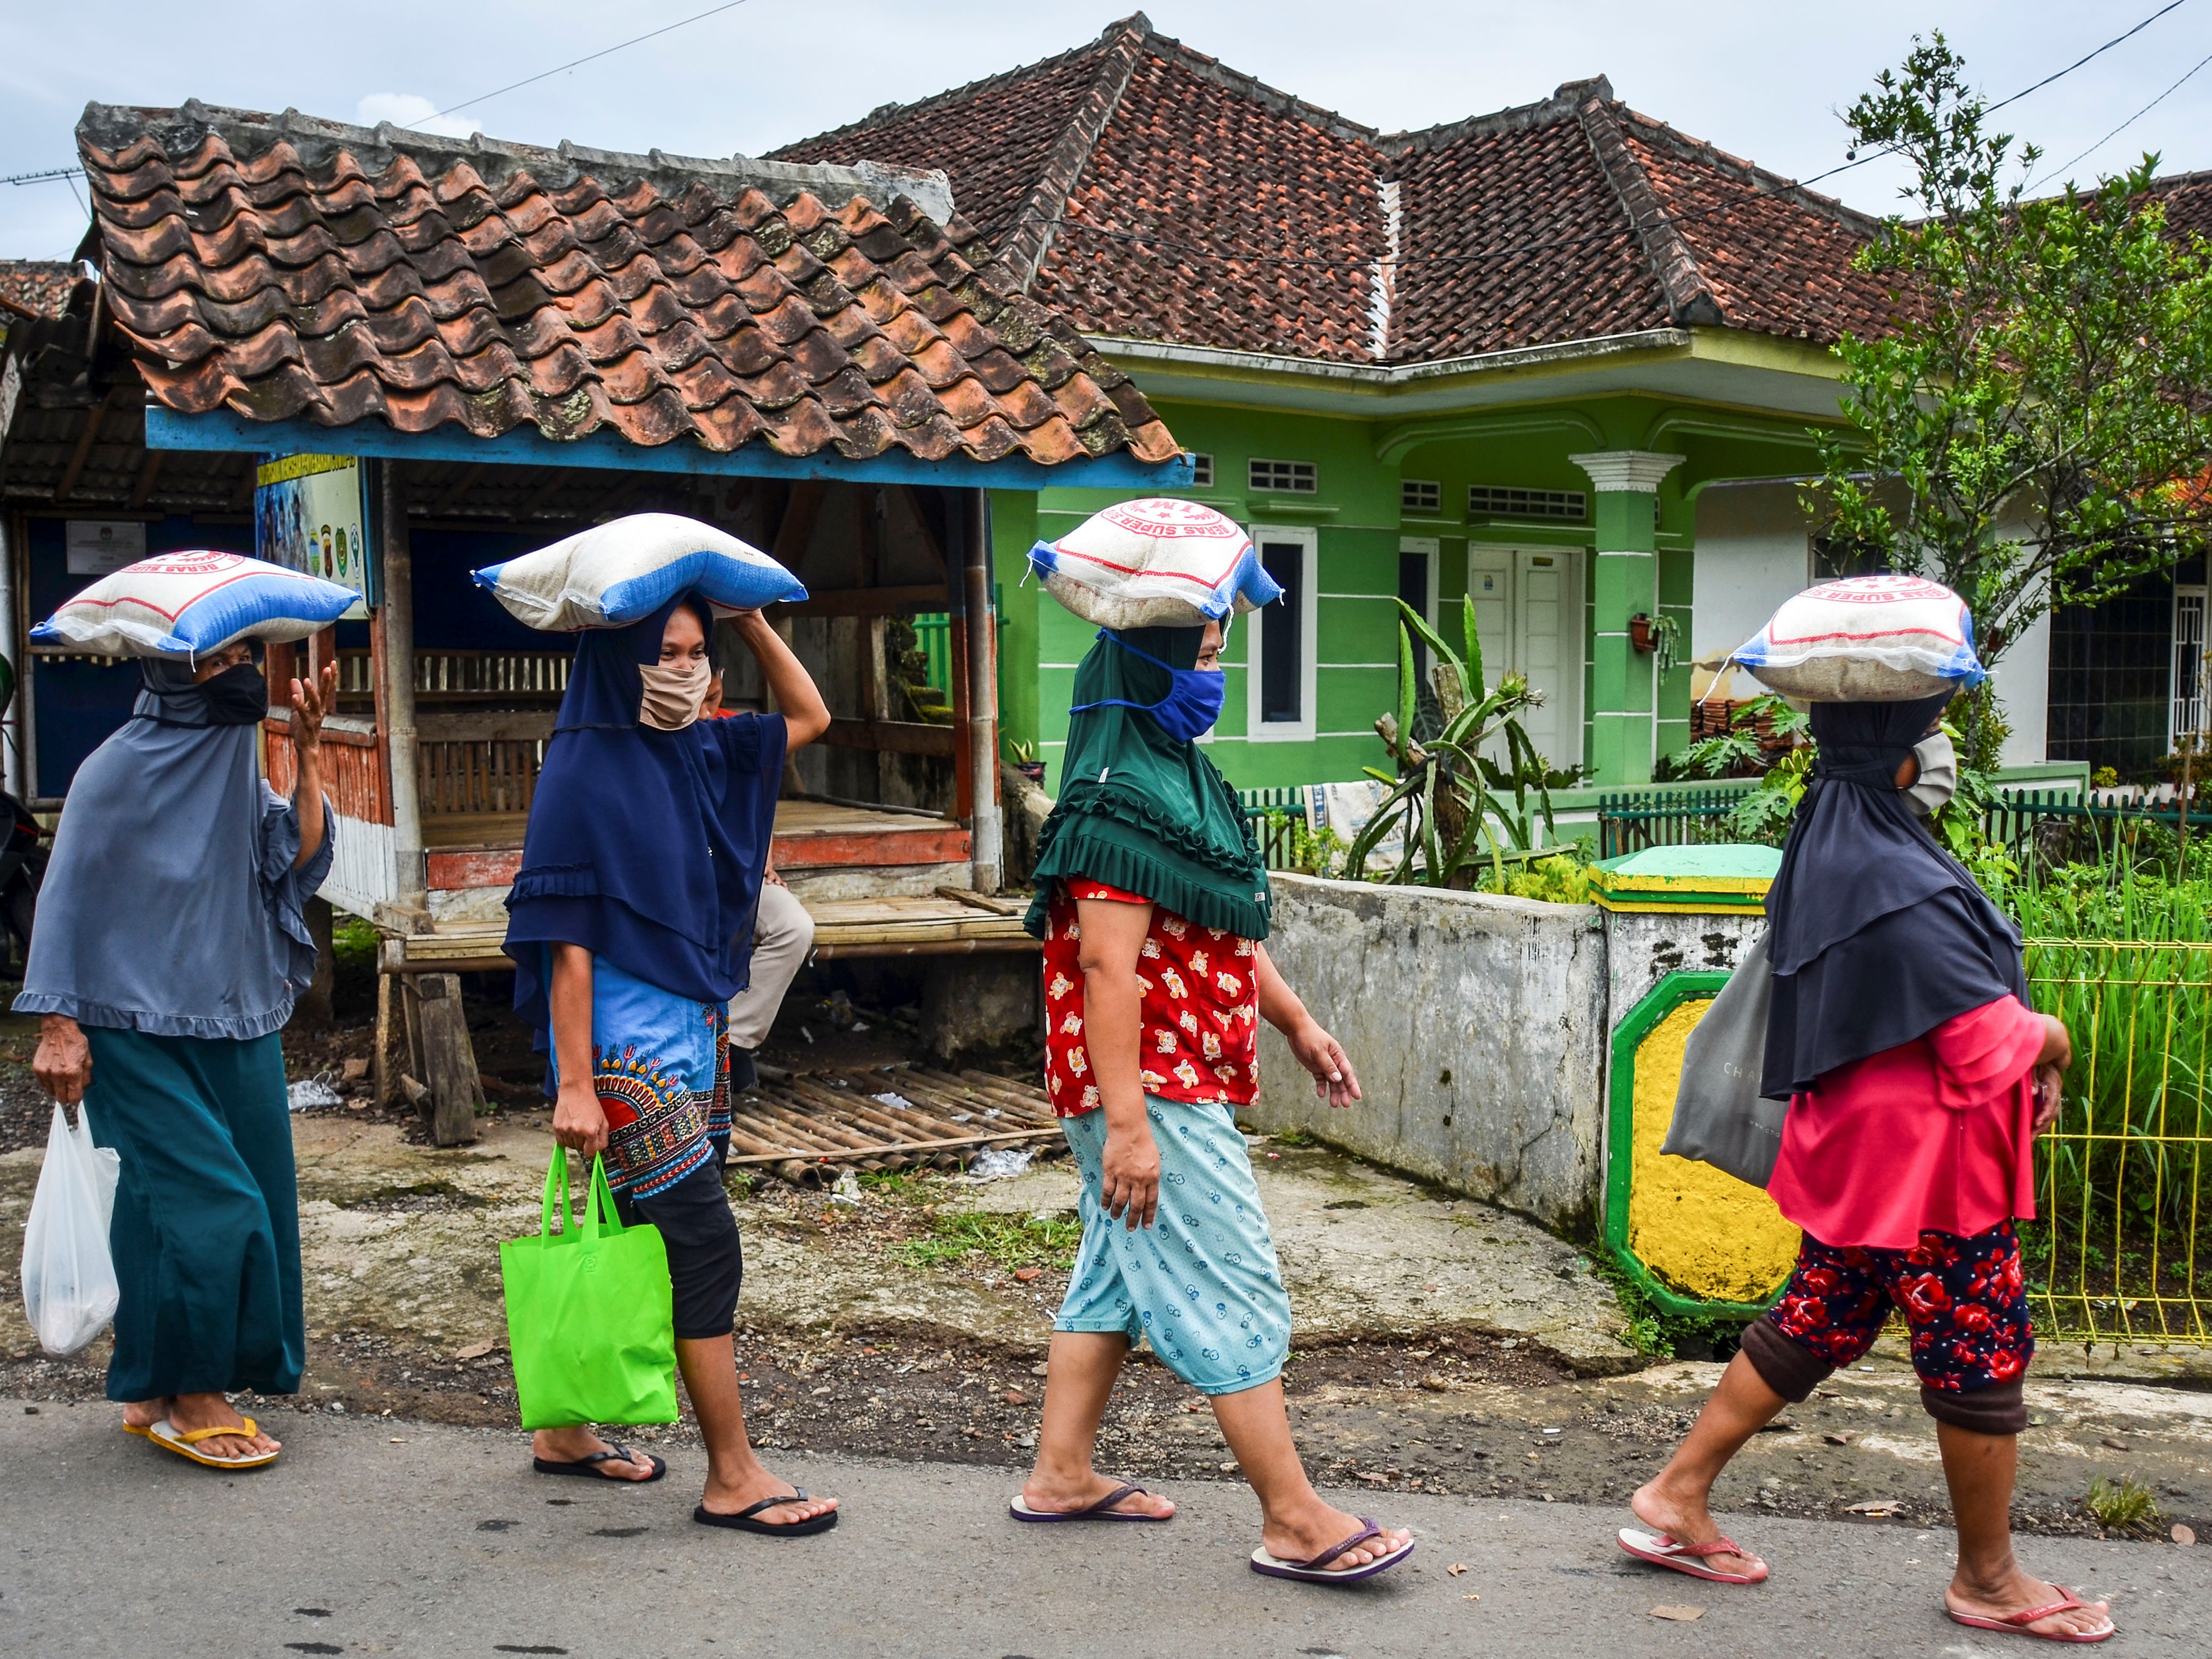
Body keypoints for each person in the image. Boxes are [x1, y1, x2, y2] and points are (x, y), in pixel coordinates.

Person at [1620, 694, 2113, 1643]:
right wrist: (2050, 1038)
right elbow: (1977, 1043)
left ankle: (1675, 1492)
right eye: (1930, 742)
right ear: (1897, 763)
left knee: (1820, 1314)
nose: (1941, 758)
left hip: (1852, 1151)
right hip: (1930, 1168)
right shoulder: (1894, 871)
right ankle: (1987, 1575)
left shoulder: (1831, 843)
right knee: (1977, 1350)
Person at [1011, 618, 1413, 1584]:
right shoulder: (1116, 803)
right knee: (1228, 1276)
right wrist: (1128, 1129)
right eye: (1195, 660)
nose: (1213, 676)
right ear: (1141, 669)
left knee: (1114, 1272)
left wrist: (1297, 1026)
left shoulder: (1180, 780)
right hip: (1149, 1083)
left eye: (1211, 657)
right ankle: (1292, 1517)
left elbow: (1222, 932)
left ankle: (1060, 1473)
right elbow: (1107, 968)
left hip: (1180, 1070)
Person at [503, 595, 841, 1535]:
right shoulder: (582, 767)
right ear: (620, 660)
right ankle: (731, 1473)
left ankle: (565, 1432)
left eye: (696, 653)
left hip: (695, 1039)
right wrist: (574, 1084)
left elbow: (809, 717)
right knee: (700, 1245)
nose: (684, 670)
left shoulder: (698, 748)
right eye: (666, 653)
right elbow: (564, 938)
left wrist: (755, 625)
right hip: (625, 1055)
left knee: (645, 1238)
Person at [21, 640, 337, 1470]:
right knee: (210, 1203)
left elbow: (293, 861)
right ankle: (197, 1390)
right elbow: (64, 899)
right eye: (210, 659)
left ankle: (155, 1383)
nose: (233, 670)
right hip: (134, 1025)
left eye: (242, 654)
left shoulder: (235, 755)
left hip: (236, 1014)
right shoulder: (113, 771)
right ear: (165, 666)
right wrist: (58, 1025)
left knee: (224, 1203)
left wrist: (306, 754)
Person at [701, 665, 812, 1091]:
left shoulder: (737, 732)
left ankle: (734, 1042)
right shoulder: (653, 738)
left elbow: (759, 805)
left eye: (715, 698)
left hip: (738, 877)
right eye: (700, 701)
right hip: (679, 886)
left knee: (793, 926)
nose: (708, 713)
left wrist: (762, 856)